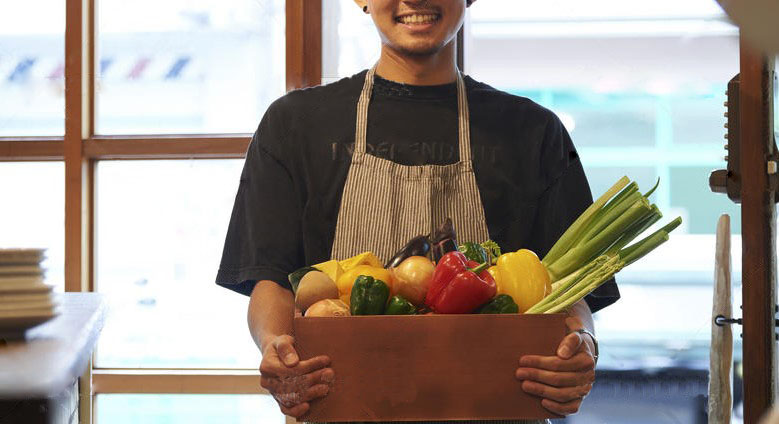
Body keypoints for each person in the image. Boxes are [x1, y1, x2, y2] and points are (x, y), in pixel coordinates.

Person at [216, 0, 620, 422]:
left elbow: (571, 292)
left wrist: (581, 349)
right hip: (344, 408)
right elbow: (272, 280)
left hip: (493, 411)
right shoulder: (295, 125)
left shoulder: (533, 132)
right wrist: (276, 347)